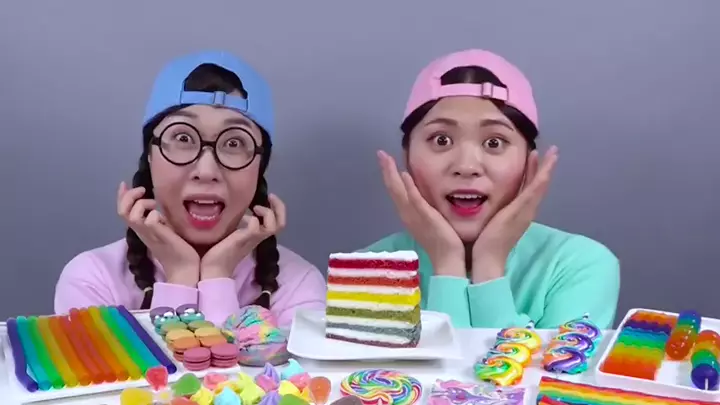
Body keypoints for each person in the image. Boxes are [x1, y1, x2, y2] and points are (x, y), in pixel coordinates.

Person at [55, 50, 326, 326]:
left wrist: (217, 274)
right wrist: (180, 275)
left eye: (234, 143)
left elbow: (219, 359)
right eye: (183, 138)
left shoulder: (298, 287)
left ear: (260, 167)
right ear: (150, 156)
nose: (206, 171)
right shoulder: (93, 280)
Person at [365, 49, 620, 329]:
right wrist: (447, 263)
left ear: (529, 164)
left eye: (494, 143)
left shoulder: (577, 265)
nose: (466, 166)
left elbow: (549, 362)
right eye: (441, 140)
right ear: (407, 158)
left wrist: (489, 266)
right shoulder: (367, 272)